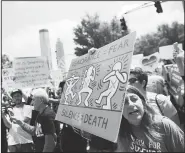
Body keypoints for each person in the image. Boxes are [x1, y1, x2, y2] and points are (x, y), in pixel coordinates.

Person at [89, 85, 184, 152]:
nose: (130, 104)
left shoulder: (164, 125)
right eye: (124, 102)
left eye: (134, 99)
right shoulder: (120, 131)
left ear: (143, 103)